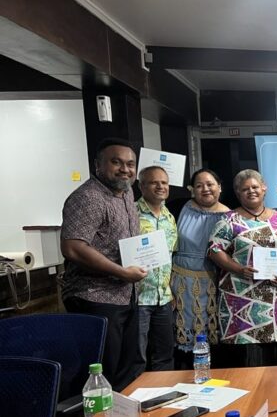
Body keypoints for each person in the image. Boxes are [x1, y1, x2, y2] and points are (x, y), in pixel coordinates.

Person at [60, 138, 146, 391]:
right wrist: (121, 272)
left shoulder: (127, 193)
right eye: (116, 162)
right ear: (98, 165)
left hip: (125, 294)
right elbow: (73, 247)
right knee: (101, 372)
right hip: (95, 297)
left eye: (130, 164)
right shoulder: (87, 197)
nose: (125, 169)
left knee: (126, 369)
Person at [209, 170, 277, 367]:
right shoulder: (229, 220)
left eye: (255, 187)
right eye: (245, 189)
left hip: (275, 300)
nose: (251, 191)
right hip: (240, 301)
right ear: (237, 193)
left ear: (264, 188)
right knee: (245, 364)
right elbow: (214, 250)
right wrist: (238, 268)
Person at [170, 169, 229, 369]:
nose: (205, 189)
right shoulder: (177, 208)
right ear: (192, 189)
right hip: (180, 285)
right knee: (180, 337)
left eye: (210, 184)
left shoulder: (230, 216)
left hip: (214, 285)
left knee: (213, 336)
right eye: (199, 185)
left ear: (220, 187)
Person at [135, 166, 178, 371]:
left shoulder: (170, 217)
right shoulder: (131, 213)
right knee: (137, 356)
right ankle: (135, 401)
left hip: (164, 297)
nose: (160, 186)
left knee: (165, 355)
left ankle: (165, 398)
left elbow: (171, 256)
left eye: (164, 182)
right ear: (141, 186)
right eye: (154, 182)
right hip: (138, 297)